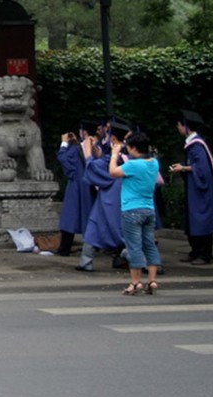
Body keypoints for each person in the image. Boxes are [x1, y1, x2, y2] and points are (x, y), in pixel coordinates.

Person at [110, 131, 163, 295]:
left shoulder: (133, 165)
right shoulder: (154, 163)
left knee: (134, 247)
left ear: (133, 148)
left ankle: (135, 282)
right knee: (149, 245)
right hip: (149, 209)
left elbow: (113, 172)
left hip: (131, 210)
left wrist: (114, 155)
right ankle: (152, 280)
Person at [77, 121, 132, 273]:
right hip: (126, 195)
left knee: (96, 226)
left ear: (113, 138)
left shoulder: (116, 156)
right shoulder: (129, 153)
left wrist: (88, 153)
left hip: (110, 196)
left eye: (108, 134)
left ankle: (87, 261)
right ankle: (129, 255)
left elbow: (96, 168)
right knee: (126, 229)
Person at [169, 109, 213, 265]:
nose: (178, 128)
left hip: (201, 190)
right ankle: (195, 251)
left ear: (185, 126)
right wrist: (184, 166)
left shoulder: (197, 145)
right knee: (193, 219)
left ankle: (204, 255)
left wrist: (184, 168)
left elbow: (202, 169)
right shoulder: (192, 144)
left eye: (179, 125)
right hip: (194, 188)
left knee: (202, 220)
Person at [55, 121, 99, 257]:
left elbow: (63, 159)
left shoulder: (75, 149)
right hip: (91, 185)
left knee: (70, 217)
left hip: (77, 185)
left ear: (83, 132)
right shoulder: (95, 148)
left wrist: (64, 144)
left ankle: (64, 249)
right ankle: (92, 249)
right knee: (90, 217)